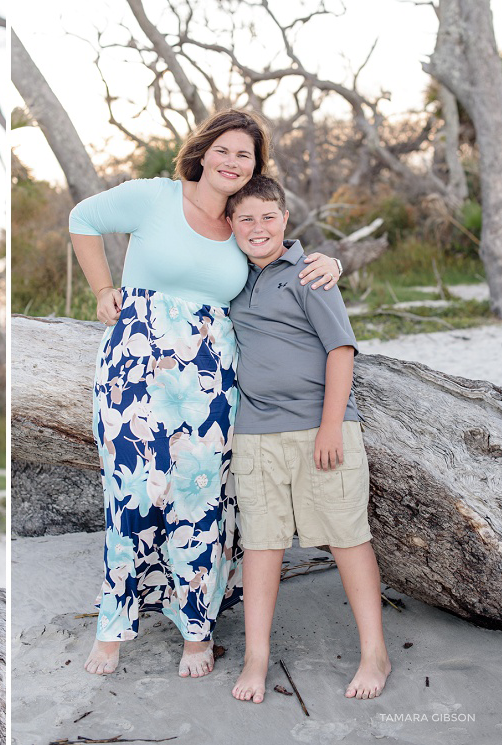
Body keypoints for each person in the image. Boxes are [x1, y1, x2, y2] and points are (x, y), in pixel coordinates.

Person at [69, 108, 342, 678]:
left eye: (245, 155)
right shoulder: (153, 197)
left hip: (211, 379)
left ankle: (197, 632)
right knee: (133, 493)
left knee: (201, 499)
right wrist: (101, 289)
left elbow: (279, 254)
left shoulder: (242, 226)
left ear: (254, 169)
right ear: (203, 151)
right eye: (224, 149)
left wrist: (330, 261)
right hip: (133, 369)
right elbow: (82, 218)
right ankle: (115, 628)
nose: (232, 162)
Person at [225, 175, 390, 703]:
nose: (257, 227)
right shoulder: (228, 276)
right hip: (255, 433)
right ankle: (255, 658)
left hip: (322, 428)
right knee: (261, 543)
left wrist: (328, 425)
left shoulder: (310, 273)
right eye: (245, 218)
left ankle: (374, 653)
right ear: (229, 224)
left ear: (285, 221)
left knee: (347, 535)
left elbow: (341, 350)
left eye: (268, 217)